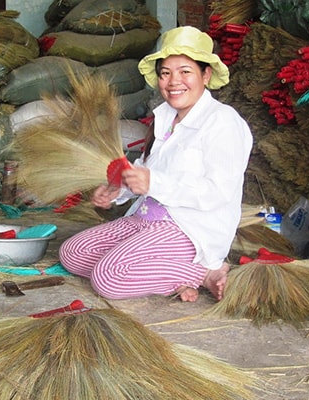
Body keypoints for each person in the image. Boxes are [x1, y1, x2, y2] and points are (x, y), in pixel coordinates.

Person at [59, 26, 253, 302]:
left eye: (185, 71)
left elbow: (218, 191)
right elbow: (145, 169)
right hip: (146, 217)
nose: (174, 81)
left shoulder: (223, 122)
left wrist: (154, 182)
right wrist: (119, 189)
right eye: (165, 73)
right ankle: (165, 274)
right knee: (72, 253)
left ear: (206, 74)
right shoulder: (165, 118)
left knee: (108, 278)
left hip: (185, 228)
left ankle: (204, 273)